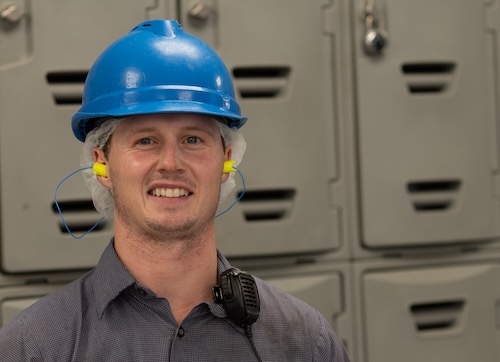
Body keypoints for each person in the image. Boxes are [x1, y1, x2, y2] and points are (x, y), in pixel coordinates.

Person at [0, 20, 351, 361]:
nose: (171, 162)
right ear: (102, 163)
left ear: (226, 159)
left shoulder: (305, 343)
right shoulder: (33, 348)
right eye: (146, 140)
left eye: (193, 139)